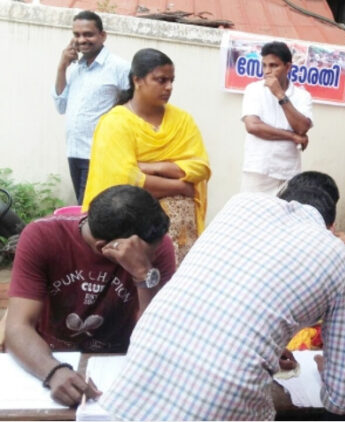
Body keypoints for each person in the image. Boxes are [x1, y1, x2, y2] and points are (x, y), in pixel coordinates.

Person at [100, 173, 345, 420]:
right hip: (222, 401)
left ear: (281, 197)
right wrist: (325, 371)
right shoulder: (344, 263)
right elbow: (340, 400)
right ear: (331, 226)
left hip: (137, 380)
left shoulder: (241, 204)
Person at [4, 185, 175, 407]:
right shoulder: (42, 236)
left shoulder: (159, 246)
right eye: (146, 255)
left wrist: (143, 275)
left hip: (116, 364)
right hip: (49, 355)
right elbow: (17, 327)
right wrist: (53, 371)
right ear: (105, 247)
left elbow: (160, 334)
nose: (154, 254)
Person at [81, 48, 211, 264]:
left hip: (182, 233)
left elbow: (201, 167)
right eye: (161, 80)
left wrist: (153, 167)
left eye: (171, 80)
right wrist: (182, 187)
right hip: (133, 226)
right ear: (137, 80)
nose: (169, 87)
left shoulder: (182, 120)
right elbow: (126, 181)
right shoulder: (115, 123)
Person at [52, 10, 130, 204]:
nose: (81, 40)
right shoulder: (75, 68)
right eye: (77, 35)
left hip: (98, 155)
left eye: (88, 34)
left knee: (88, 211)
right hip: (74, 152)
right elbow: (61, 105)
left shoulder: (119, 67)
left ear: (102, 36)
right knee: (85, 209)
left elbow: (134, 106)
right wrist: (62, 67)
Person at [241, 41, 313, 194]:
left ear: (288, 67)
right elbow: (253, 127)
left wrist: (280, 94)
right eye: (264, 65)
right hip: (258, 170)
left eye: (274, 66)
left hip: (288, 171)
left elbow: (302, 128)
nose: (267, 71)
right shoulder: (253, 90)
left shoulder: (302, 96)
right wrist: (292, 136)